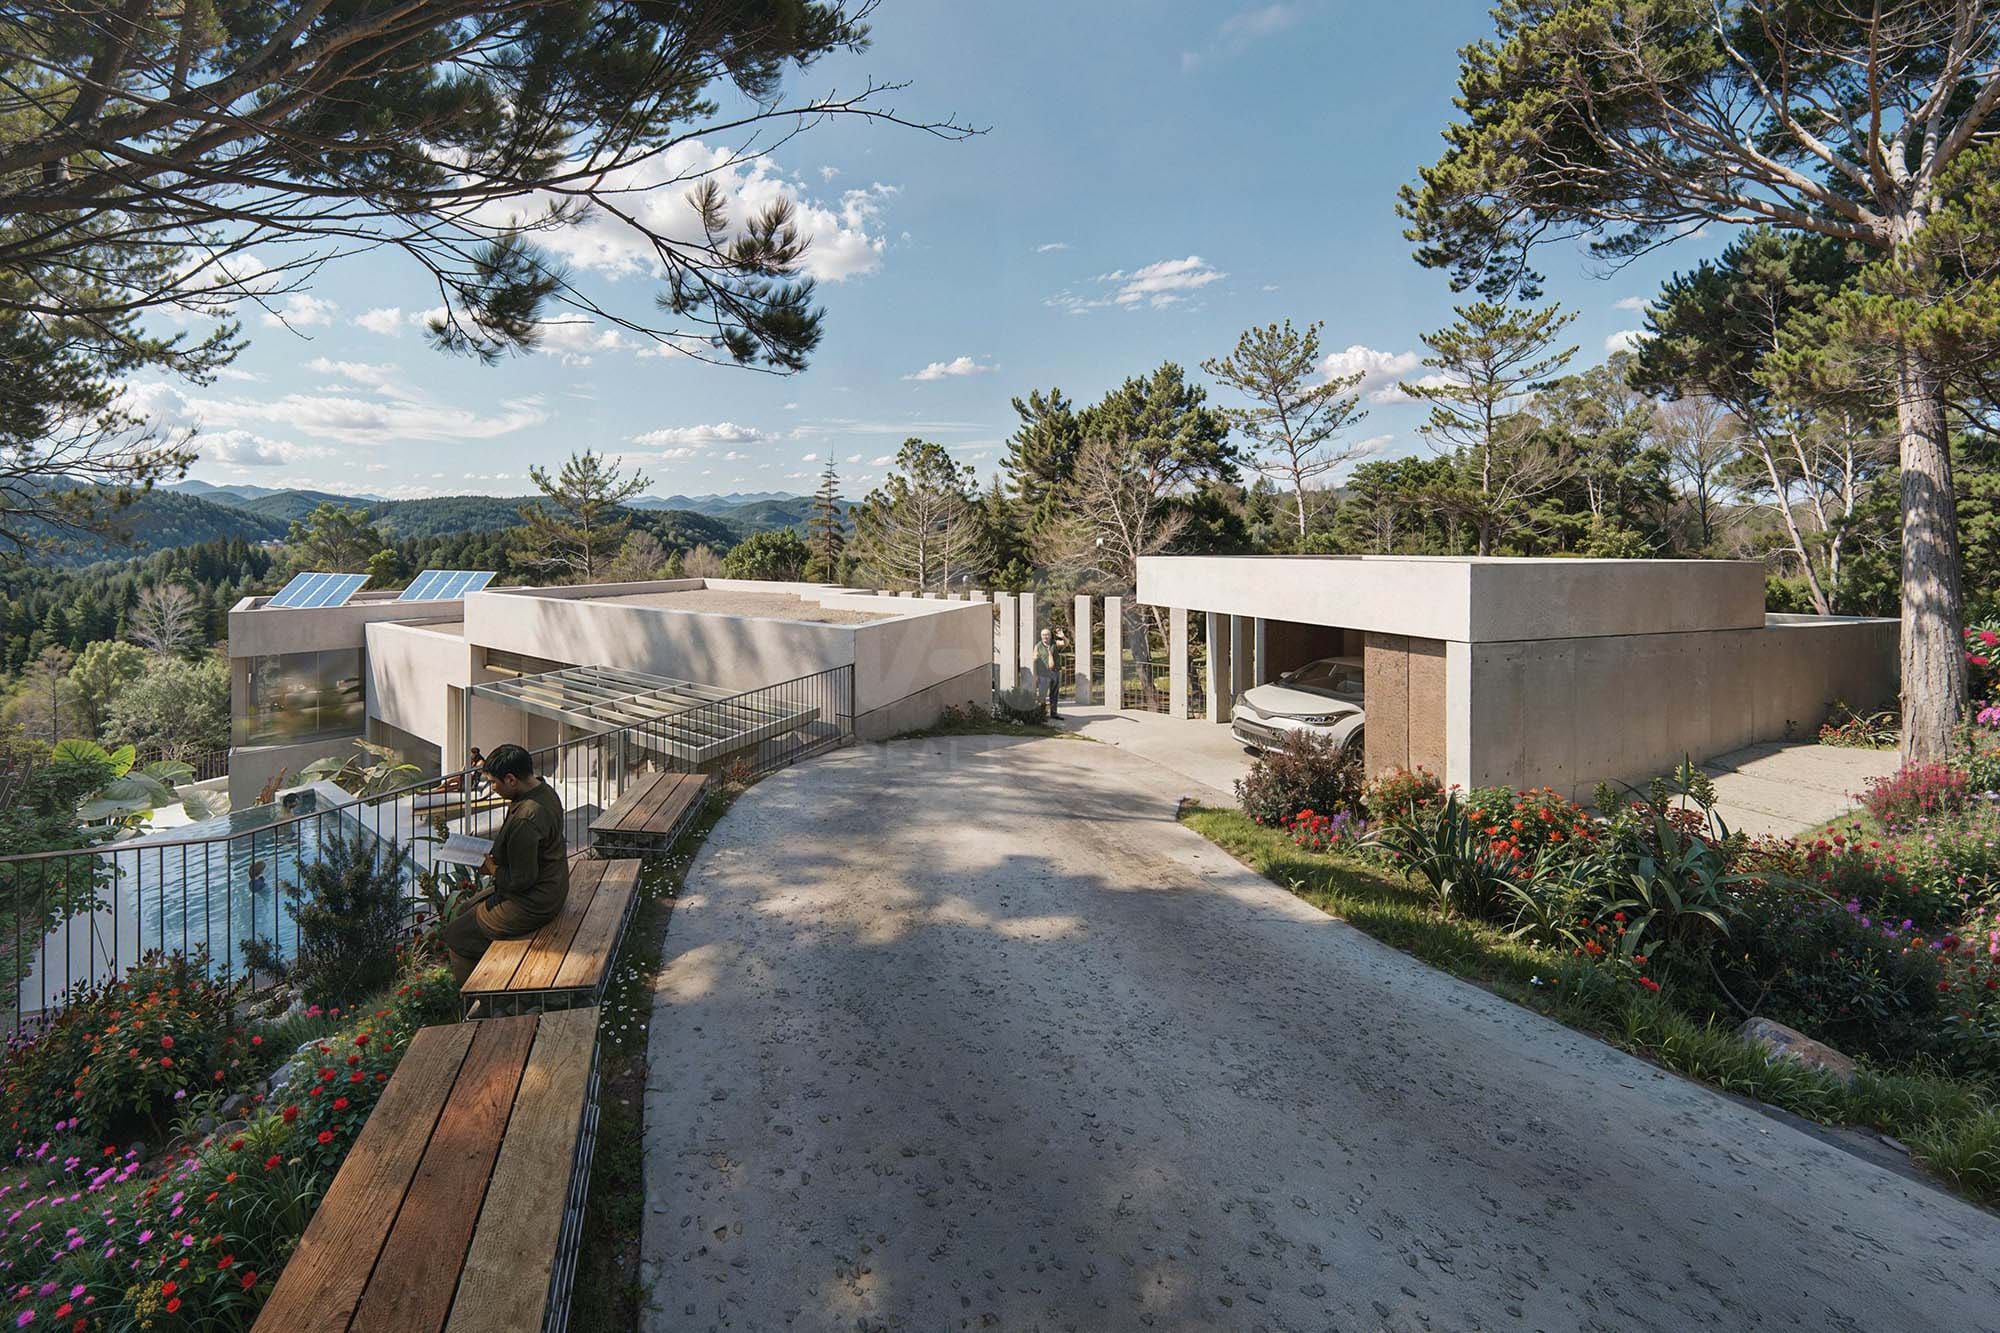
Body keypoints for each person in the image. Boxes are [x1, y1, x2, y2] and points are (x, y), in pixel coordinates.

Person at [442, 743, 569, 986]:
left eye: (494, 783)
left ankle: (475, 1001)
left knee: (456, 936)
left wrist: (490, 868)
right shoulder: (544, 790)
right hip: (554, 885)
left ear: (511, 779)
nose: (493, 788)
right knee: (466, 906)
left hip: (536, 901)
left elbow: (522, 880)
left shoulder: (526, 818)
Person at [1032, 626, 1065, 720]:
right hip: (1043, 674)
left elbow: (1065, 643)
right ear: (1041, 636)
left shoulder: (1054, 643)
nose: (1045, 636)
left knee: (1054, 694)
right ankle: (1041, 714)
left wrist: (1063, 637)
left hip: (1055, 672)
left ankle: (1054, 713)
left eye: (1047, 634)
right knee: (1042, 694)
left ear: (1050, 636)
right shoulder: (1038, 646)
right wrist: (1035, 674)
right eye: (1043, 635)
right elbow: (1034, 659)